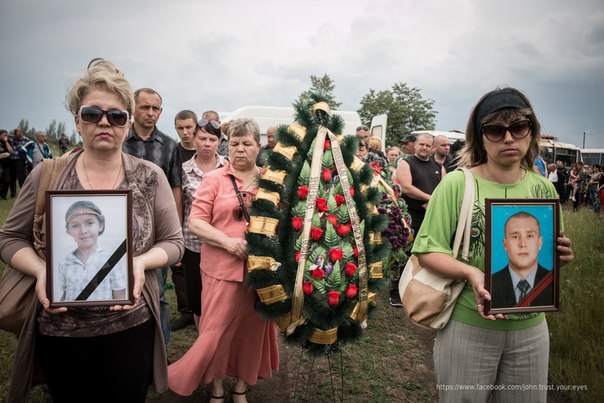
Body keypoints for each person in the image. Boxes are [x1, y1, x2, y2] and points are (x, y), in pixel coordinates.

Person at [0, 58, 184, 402]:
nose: (104, 122)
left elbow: (174, 242)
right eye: (92, 114)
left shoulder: (149, 177)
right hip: (60, 332)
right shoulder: (47, 174)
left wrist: (141, 263)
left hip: (131, 328)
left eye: (116, 115)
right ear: (76, 122)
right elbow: (9, 239)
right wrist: (41, 271)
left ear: (127, 123)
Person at [413, 87, 574, 402]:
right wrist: (471, 274)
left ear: (531, 132)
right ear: (481, 136)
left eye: (518, 127)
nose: (509, 138)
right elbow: (427, 250)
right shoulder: (457, 185)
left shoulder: (542, 188)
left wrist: (561, 256)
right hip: (468, 326)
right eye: (496, 130)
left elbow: (550, 251)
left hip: (531, 331)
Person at [168, 118, 279, 403]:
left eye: (247, 143)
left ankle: (241, 386)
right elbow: (195, 222)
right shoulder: (214, 179)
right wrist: (227, 242)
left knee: (252, 333)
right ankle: (216, 387)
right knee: (216, 332)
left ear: (258, 146)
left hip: (260, 273)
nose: (239, 149)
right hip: (220, 270)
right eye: (234, 143)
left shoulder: (271, 181)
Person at [123, 87, 183, 345]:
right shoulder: (120, 139)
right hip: (119, 228)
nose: (150, 113)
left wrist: (175, 230)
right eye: (144, 107)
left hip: (155, 232)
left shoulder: (169, 146)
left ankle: (161, 350)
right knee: (121, 292)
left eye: (155, 108)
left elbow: (175, 188)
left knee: (156, 292)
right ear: (133, 108)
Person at [181, 118, 228, 330]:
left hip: (222, 244)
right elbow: (179, 206)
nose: (207, 143)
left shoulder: (228, 166)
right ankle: (203, 341)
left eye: (212, 139)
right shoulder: (183, 170)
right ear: (194, 139)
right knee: (198, 298)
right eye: (202, 138)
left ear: (219, 142)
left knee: (221, 298)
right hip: (194, 245)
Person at [57, 200, 127, 302]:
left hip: (103, 316)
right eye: (75, 225)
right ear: (68, 230)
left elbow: (119, 298)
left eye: (89, 223)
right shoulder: (64, 262)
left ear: (100, 225)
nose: (83, 231)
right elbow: (65, 295)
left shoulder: (112, 260)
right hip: (72, 317)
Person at [170, 109, 200, 331]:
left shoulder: (204, 149)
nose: (185, 132)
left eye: (189, 127)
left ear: (196, 127)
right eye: (180, 128)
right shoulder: (174, 152)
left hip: (202, 222)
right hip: (180, 214)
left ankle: (202, 309)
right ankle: (186, 311)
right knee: (179, 268)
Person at [490, 212, 554, 309]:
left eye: (529, 236)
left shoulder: (551, 282)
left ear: (540, 243)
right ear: (505, 244)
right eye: (515, 237)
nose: (523, 244)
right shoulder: (491, 284)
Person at [396, 132, 446, 236]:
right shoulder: (406, 163)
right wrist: (430, 198)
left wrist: (432, 201)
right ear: (415, 145)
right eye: (421, 144)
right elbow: (406, 188)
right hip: (411, 217)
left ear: (433, 148)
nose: (424, 148)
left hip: (432, 217)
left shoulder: (440, 167)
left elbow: (444, 190)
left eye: (428, 145)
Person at [8, 127, 30, 197]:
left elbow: (27, 149)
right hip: (11, 160)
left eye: (21, 132)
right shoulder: (10, 139)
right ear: (14, 134)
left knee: (22, 178)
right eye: (18, 133)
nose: (20, 134)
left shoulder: (26, 140)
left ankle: (23, 194)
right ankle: (13, 194)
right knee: (12, 178)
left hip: (20, 161)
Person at [0, 129, 14, 199]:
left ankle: (3, 195)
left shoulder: (7, 141)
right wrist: (1, 156)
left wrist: (6, 142)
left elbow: (11, 151)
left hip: (7, 164)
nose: (6, 136)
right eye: (4, 135)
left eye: (7, 135)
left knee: (7, 180)